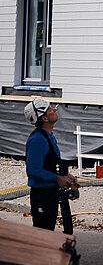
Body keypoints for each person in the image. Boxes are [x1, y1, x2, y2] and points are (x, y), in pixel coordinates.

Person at [24, 98, 76, 230]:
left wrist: (66, 175)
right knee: (43, 235)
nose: (54, 109)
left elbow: (50, 164)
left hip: (50, 193)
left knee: (48, 231)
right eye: (50, 109)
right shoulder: (38, 140)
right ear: (45, 119)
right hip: (42, 195)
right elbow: (33, 171)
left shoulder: (49, 136)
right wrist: (57, 178)